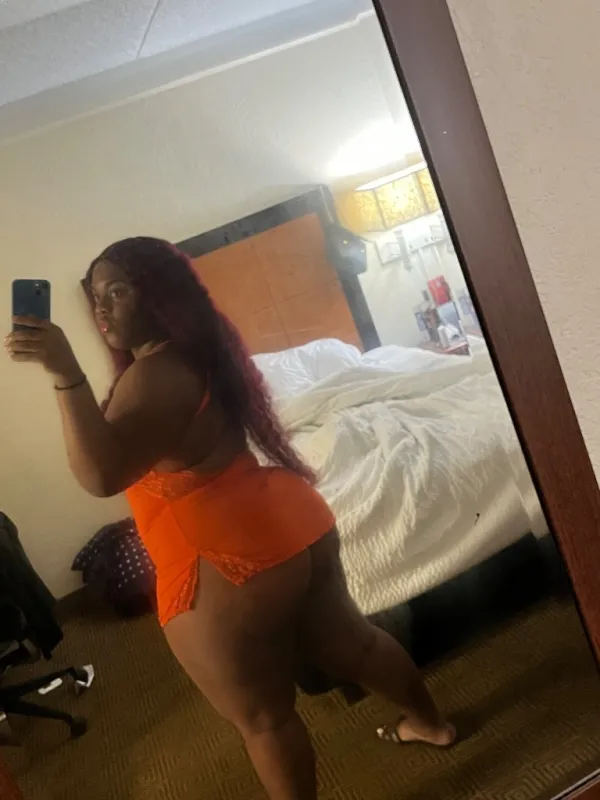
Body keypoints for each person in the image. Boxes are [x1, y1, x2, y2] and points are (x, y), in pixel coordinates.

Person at [4, 237, 455, 799]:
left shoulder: (155, 373)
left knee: (265, 720)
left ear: (159, 294)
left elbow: (101, 475)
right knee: (356, 644)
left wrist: (65, 372)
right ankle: (431, 724)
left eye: (116, 292)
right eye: (94, 296)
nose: (101, 308)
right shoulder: (199, 353)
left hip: (224, 558)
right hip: (289, 520)